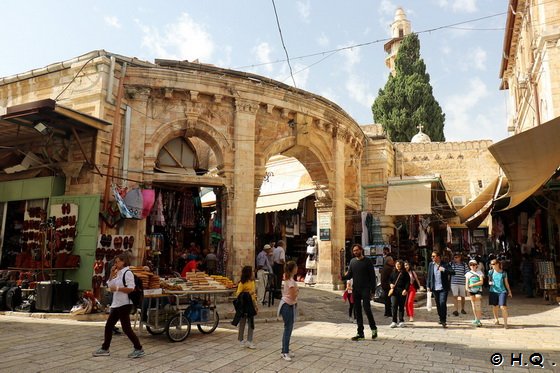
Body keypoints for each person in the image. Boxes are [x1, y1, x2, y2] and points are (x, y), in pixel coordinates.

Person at [92, 253, 144, 358]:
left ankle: (138, 348)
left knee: (126, 328)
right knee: (109, 326)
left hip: (124, 304)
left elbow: (131, 288)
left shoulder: (128, 273)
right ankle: (105, 348)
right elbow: (110, 284)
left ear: (123, 261)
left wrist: (117, 289)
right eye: (115, 262)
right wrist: (111, 273)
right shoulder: (119, 273)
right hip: (117, 304)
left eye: (117, 261)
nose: (116, 263)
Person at [341, 244, 378, 341]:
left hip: (365, 289)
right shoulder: (352, 262)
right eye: (354, 251)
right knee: (357, 311)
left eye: (357, 250)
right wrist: (342, 277)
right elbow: (349, 275)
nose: (355, 252)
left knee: (367, 309)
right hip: (356, 290)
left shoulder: (368, 261)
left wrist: (373, 291)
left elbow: (372, 277)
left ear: (361, 250)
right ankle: (360, 333)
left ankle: (373, 329)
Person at [426, 251, 455, 328]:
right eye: (432, 256)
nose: (432, 258)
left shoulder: (445, 264)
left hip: (443, 288)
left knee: (442, 303)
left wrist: (444, 270)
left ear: (438, 257)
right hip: (434, 288)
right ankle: (440, 317)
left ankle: (443, 320)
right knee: (438, 304)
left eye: (434, 256)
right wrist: (428, 286)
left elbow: (453, 272)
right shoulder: (431, 265)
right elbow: (429, 275)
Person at [232, 265, 258, 349]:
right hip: (245, 305)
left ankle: (249, 340)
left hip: (252, 304)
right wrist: (248, 294)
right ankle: (240, 339)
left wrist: (256, 305)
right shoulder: (242, 283)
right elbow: (238, 294)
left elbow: (254, 295)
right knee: (242, 322)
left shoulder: (252, 282)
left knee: (251, 323)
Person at [278, 260, 298, 361]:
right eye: (296, 267)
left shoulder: (289, 279)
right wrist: (297, 291)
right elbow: (293, 294)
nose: (297, 268)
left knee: (288, 329)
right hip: (287, 305)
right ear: (293, 269)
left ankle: (286, 349)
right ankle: (284, 352)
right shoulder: (290, 281)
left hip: (288, 305)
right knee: (288, 329)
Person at [488, 259, 513, 329]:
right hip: (493, 291)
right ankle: (496, 319)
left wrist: (509, 291)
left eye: (493, 264)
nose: (492, 265)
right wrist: (489, 283)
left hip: (502, 291)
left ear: (498, 264)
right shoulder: (490, 272)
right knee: (495, 306)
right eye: (491, 264)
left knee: (503, 307)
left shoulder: (503, 273)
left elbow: (506, 283)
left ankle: (505, 323)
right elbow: (489, 281)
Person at [389, 259, 410, 328]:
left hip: (402, 292)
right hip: (394, 292)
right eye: (396, 264)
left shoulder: (405, 273)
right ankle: (394, 321)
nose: (397, 266)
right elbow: (390, 280)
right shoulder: (393, 272)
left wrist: (405, 290)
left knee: (401, 306)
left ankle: (401, 321)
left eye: (399, 264)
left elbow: (408, 282)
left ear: (401, 265)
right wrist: (391, 284)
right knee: (394, 306)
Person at [465, 259, 484, 327]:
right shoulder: (468, 274)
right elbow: (466, 283)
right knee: (473, 305)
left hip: (478, 290)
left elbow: (481, 282)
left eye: (474, 264)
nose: (472, 266)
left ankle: (478, 320)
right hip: (471, 291)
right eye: (471, 265)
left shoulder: (479, 272)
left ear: (476, 265)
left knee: (477, 304)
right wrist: (467, 290)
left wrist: (473, 285)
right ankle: (476, 319)